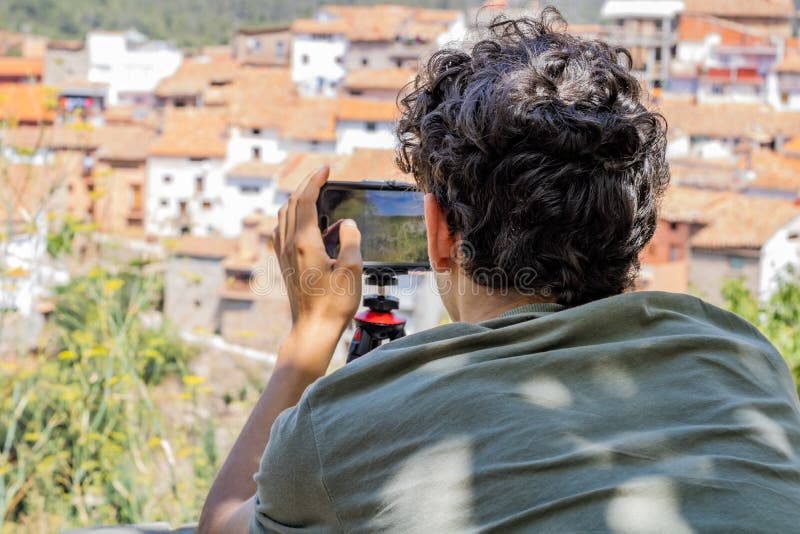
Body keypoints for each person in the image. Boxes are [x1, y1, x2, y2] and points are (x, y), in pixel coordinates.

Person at [199, 10, 800, 533]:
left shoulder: (340, 429)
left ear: (440, 233)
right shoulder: (746, 363)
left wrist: (308, 341)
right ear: (635, 226)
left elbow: (223, 524)